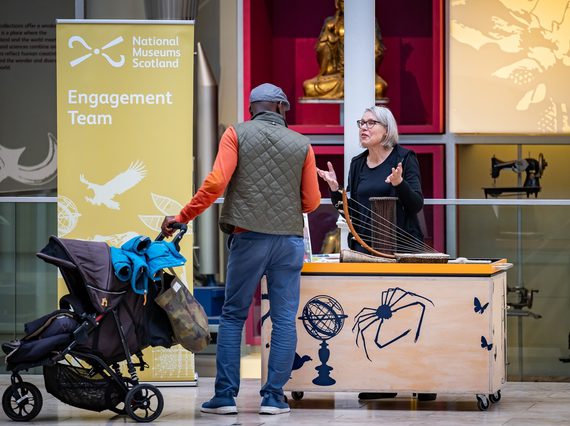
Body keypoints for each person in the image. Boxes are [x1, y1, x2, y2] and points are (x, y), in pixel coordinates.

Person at [161, 83, 321, 415]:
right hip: (288, 241)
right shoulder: (302, 144)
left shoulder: (236, 134)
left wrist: (183, 216)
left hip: (249, 238)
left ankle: (224, 397)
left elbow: (216, 184)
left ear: (253, 109)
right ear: (280, 108)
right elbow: (312, 202)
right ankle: (274, 398)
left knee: (233, 316)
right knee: (283, 319)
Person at [316, 105, 436, 402]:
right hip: (367, 252)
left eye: (371, 123)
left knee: (408, 315)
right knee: (378, 317)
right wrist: (334, 191)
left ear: (386, 130)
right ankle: (383, 381)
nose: (364, 127)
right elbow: (350, 212)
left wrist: (399, 184)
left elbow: (416, 204)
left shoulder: (404, 158)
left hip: (402, 250)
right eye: (361, 122)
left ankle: (422, 381)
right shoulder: (357, 164)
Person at [302, 0, 387, 99]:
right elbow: (321, 51)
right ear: (337, 4)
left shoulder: (368, 21)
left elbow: (378, 51)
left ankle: (352, 86)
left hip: (360, 76)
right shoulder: (331, 23)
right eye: (343, 2)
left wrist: (361, 69)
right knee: (308, 87)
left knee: (380, 87)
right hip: (336, 76)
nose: (346, 6)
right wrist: (327, 35)